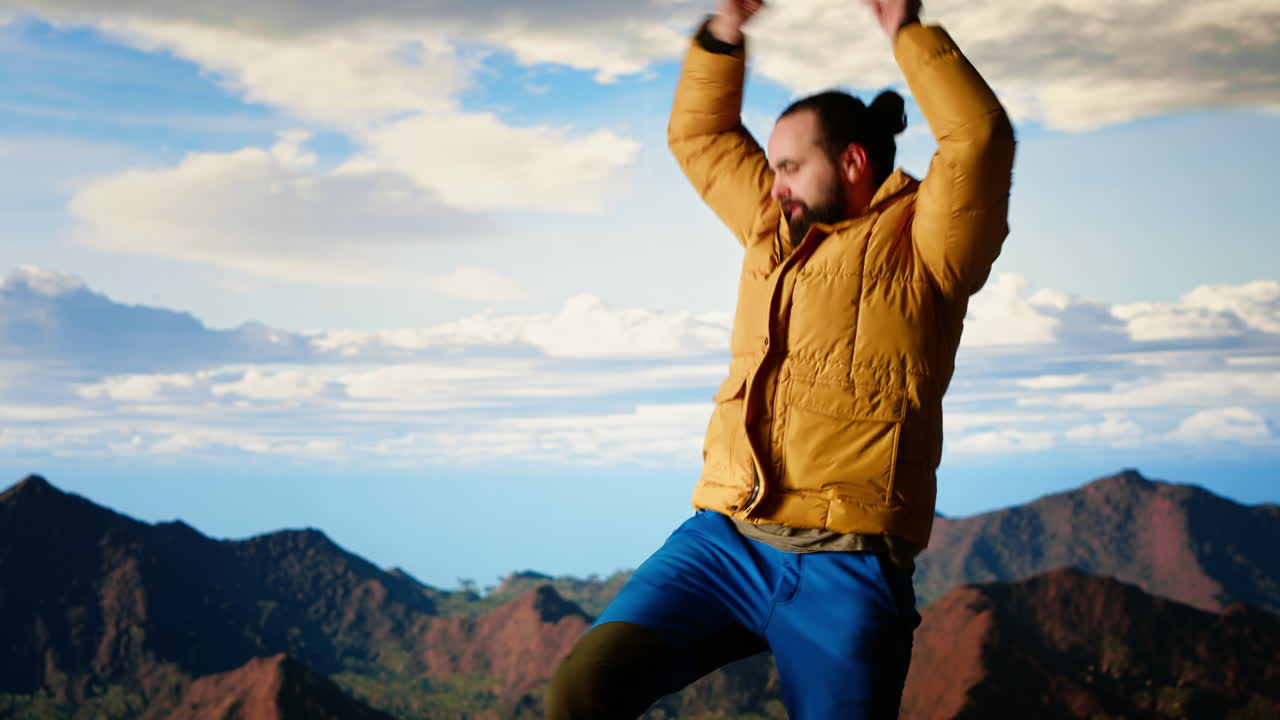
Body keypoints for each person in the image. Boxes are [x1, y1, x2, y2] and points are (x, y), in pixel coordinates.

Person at [547, 0, 1014, 716]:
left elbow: (978, 138)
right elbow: (699, 135)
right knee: (583, 691)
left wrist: (907, 35)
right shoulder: (773, 224)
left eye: (791, 165)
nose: (775, 183)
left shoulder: (927, 246)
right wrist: (724, 32)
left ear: (853, 162)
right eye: (771, 168)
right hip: (723, 540)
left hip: (848, 563)